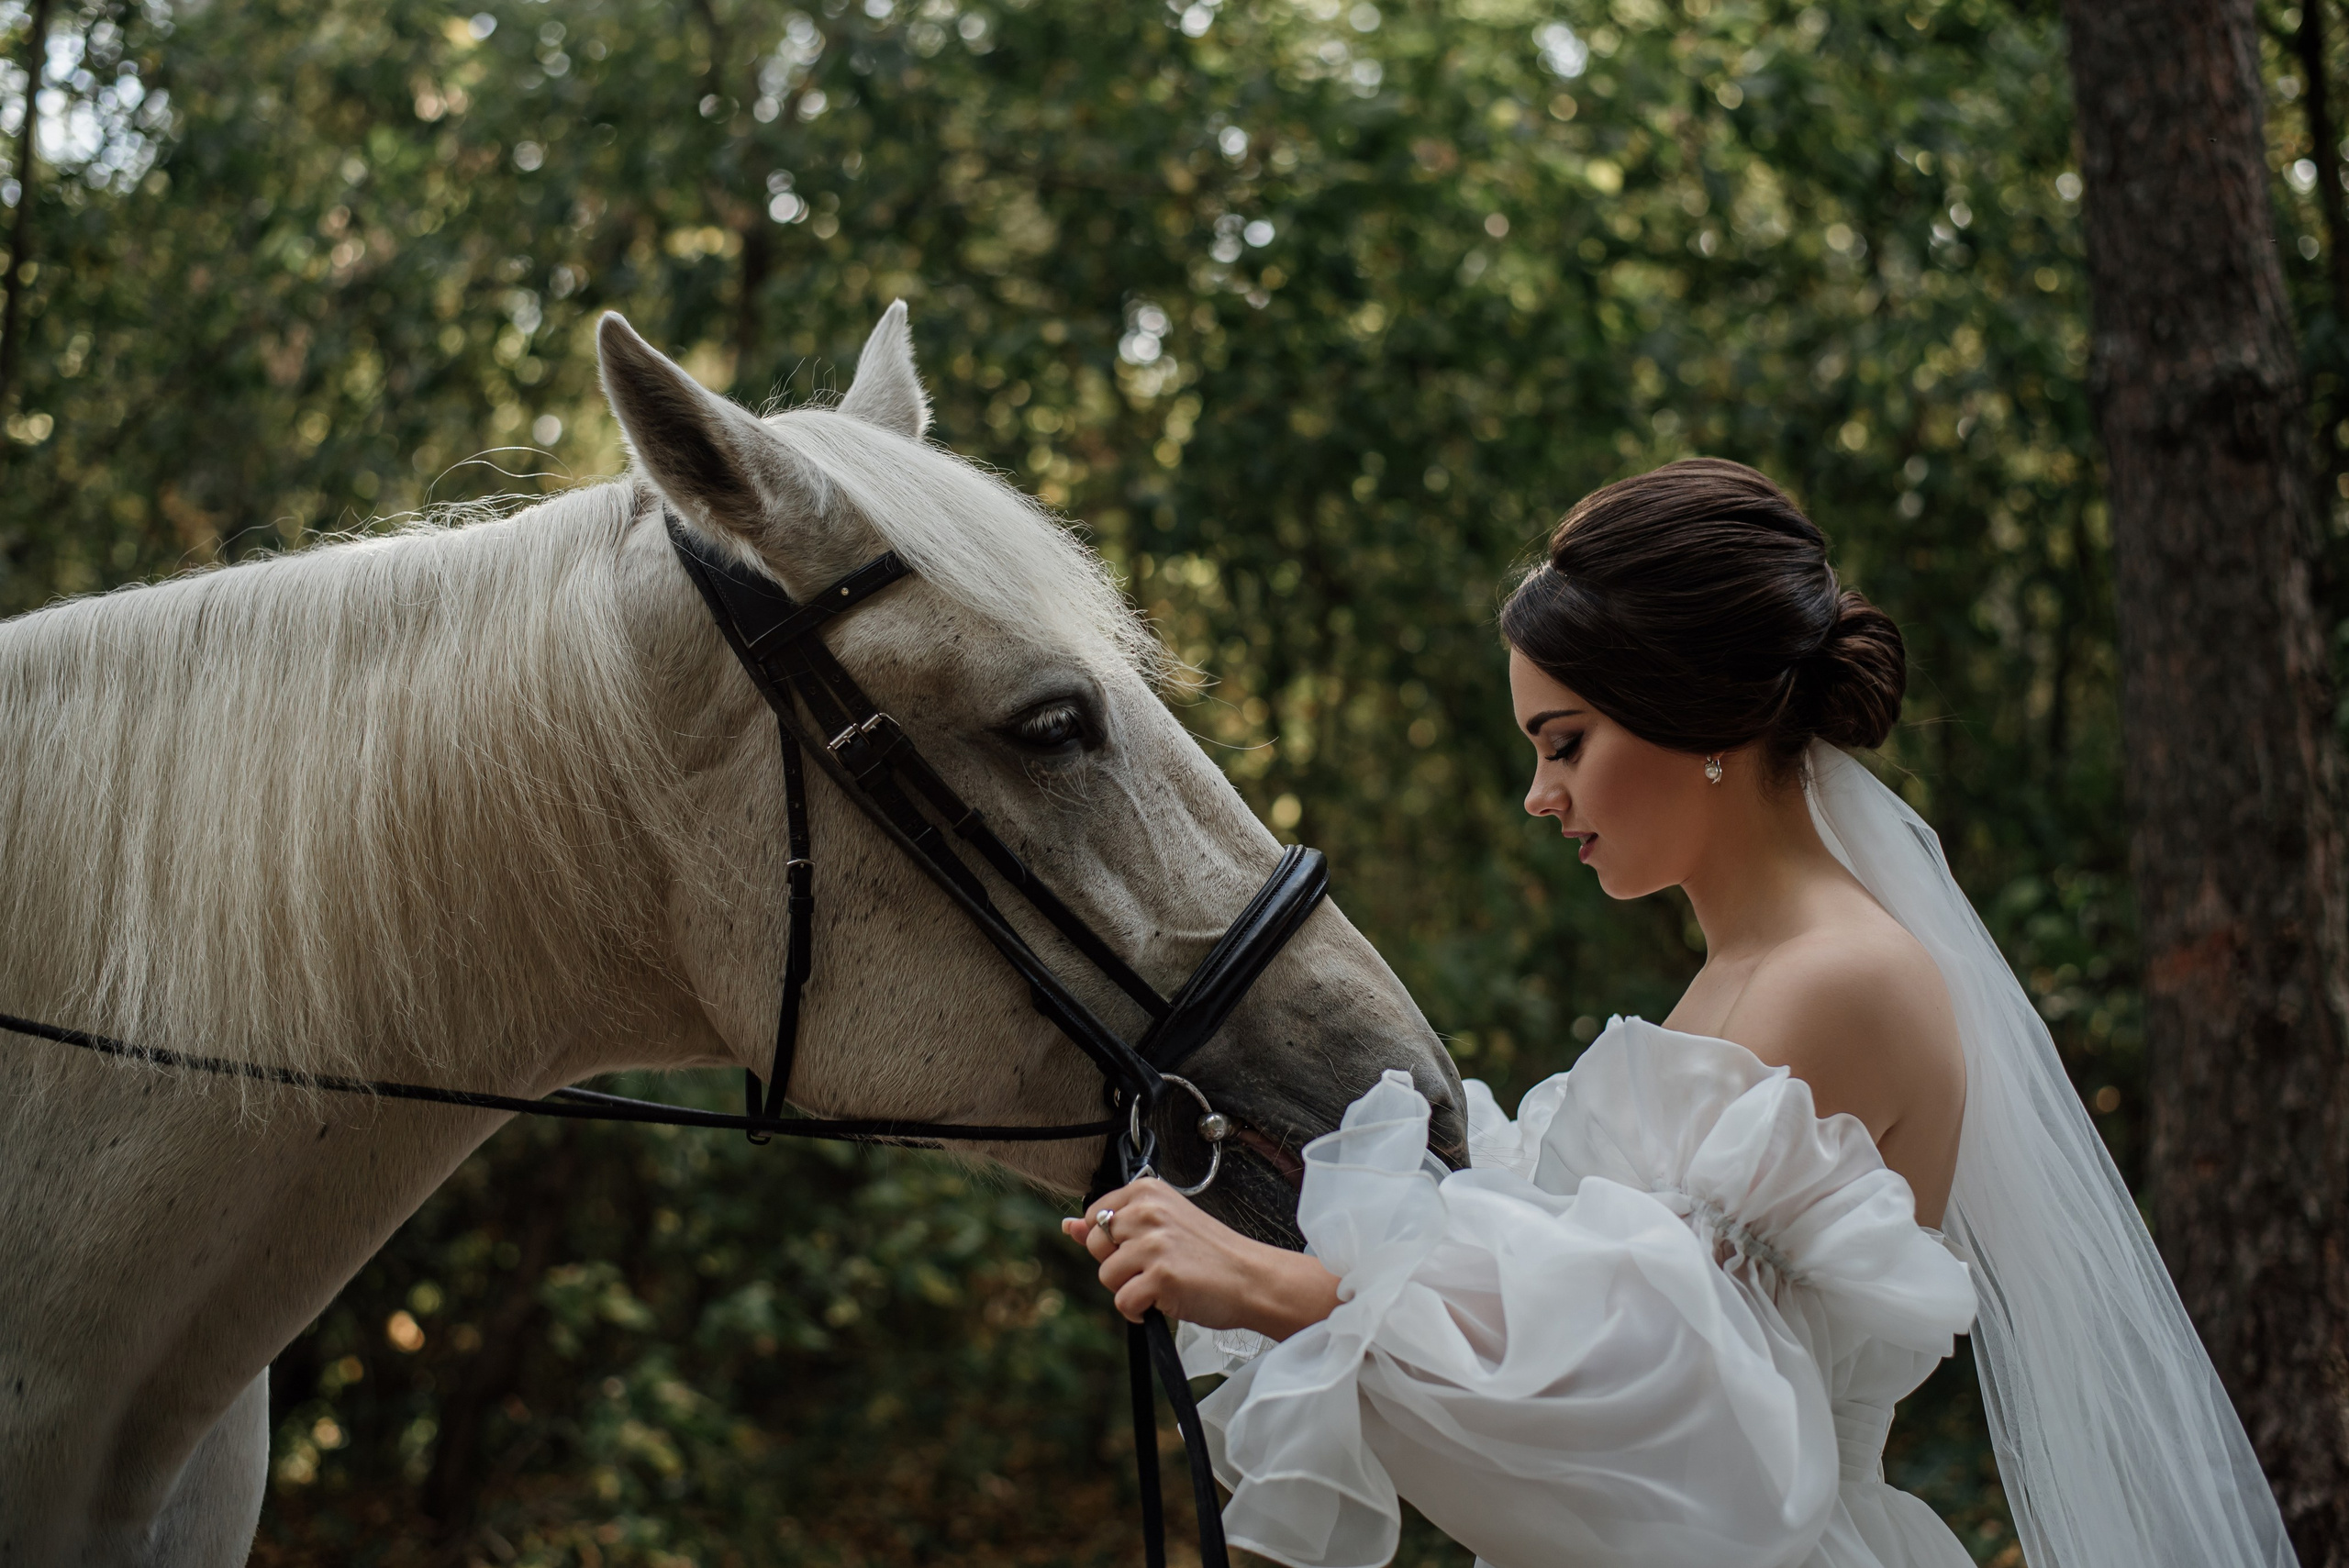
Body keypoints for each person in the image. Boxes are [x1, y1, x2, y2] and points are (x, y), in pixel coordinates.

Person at [1063, 459, 2297, 1568]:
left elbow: (1653, 1406)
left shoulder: (1836, 978)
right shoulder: (1746, 979)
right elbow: (1581, 1313)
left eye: (1565, 742)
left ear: (1700, 714)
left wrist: (1278, 1288)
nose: (1539, 796)